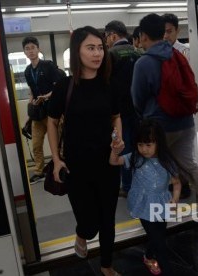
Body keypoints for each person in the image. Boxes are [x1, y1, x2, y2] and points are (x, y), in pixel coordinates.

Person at [131, 13, 198, 235]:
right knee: (192, 167)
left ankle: (157, 222)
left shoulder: (144, 62)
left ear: (144, 36)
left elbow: (137, 99)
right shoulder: (178, 55)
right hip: (185, 123)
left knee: (154, 172)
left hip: (158, 128)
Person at [47, 26, 123, 276]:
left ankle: (106, 266)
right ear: (77, 52)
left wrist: (117, 143)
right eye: (90, 48)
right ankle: (81, 235)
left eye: (100, 47)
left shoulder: (109, 85)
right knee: (90, 224)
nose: (97, 53)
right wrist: (56, 160)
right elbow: (52, 121)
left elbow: (116, 117)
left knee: (107, 219)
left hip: (107, 164)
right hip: (76, 166)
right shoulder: (65, 86)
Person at [109, 119, 182, 275]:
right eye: (140, 144)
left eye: (148, 145)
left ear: (159, 143)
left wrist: (175, 199)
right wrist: (115, 150)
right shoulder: (135, 157)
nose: (143, 149)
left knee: (159, 235)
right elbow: (113, 161)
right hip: (142, 204)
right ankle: (166, 270)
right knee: (160, 244)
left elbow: (176, 184)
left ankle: (148, 256)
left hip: (162, 204)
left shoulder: (167, 161)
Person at [104, 20, 141, 198]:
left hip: (119, 111)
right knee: (139, 145)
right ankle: (140, 179)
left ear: (113, 35)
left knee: (123, 146)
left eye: (106, 37)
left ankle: (127, 185)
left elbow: (106, 83)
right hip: (138, 110)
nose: (106, 41)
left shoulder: (110, 54)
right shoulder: (139, 52)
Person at [23, 36, 62, 183]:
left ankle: (59, 165)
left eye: (33, 47)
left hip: (52, 112)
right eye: (27, 49)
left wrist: (45, 97)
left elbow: (59, 87)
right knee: (36, 144)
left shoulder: (48, 66)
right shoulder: (27, 71)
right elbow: (32, 92)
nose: (31, 51)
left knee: (57, 142)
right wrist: (30, 109)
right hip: (37, 114)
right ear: (24, 52)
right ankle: (39, 171)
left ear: (38, 49)